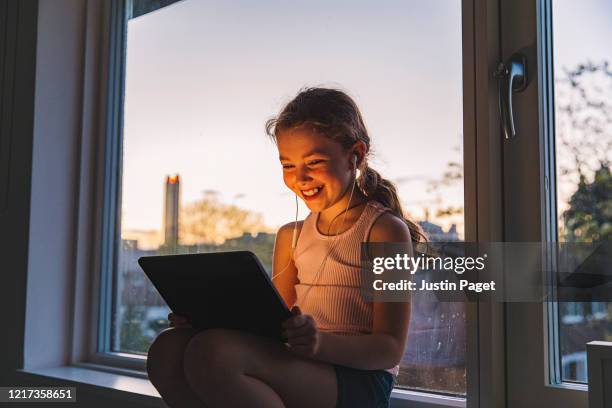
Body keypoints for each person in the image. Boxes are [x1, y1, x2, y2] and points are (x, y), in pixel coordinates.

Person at [146, 87, 423, 408]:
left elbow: (389, 348)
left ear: (355, 156)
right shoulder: (290, 235)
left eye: (314, 161)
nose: (300, 177)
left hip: (359, 378)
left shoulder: (385, 231)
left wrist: (318, 343)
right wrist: (205, 319)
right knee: (168, 350)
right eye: (288, 165)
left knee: (214, 353)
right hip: (303, 365)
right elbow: (270, 325)